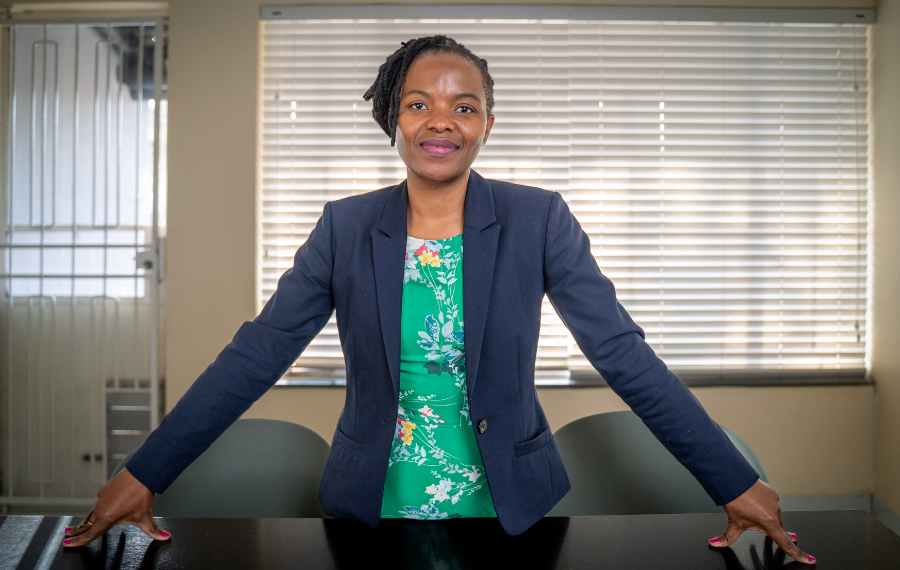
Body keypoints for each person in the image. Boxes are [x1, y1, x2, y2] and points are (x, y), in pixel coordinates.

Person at [62, 35, 815, 564]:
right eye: (419, 103)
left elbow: (620, 351)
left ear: (487, 124)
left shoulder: (537, 218)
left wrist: (733, 479)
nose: (440, 121)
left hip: (512, 510)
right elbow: (257, 354)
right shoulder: (346, 227)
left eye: (464, 106)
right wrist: (144, 472)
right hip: (372, 506)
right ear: (395, 117)